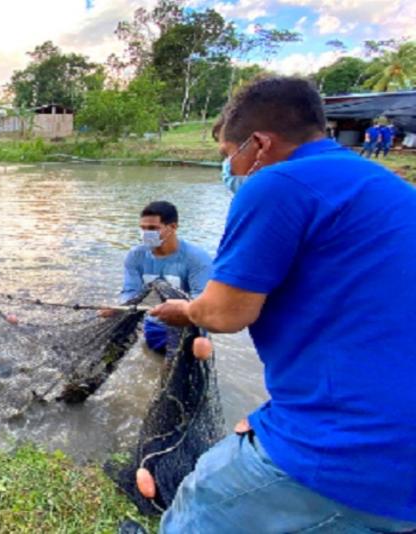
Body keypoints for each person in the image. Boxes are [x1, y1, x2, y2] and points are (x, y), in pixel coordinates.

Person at [151, 77, 416, 532]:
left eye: (227, 156)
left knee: (201, 502)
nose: (229, 170)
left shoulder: (278, 182)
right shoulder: (378, 183)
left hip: (354, 447)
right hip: (394, 437)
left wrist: (186, 311)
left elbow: (225, 313)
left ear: (258, 144)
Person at [100, 201, 212, 354]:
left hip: (187, 323)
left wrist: (185, 311)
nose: (146, 234)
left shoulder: (197, 258)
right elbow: (131, 291)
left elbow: (202, 300)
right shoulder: (136, 256)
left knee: (201, 349)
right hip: (155, 323)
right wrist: (119, 308)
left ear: (172, 227)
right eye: (143, 228)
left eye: (152, 228)